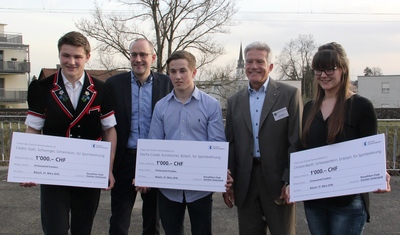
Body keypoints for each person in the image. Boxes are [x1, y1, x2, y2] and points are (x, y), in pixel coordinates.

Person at [21, 31, 117, 234]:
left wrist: (107, 168)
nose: (71, 62)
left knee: (83, 229)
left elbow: (109, 131)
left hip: (88, 171)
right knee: (54, 229)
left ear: (87, 57)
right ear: (59, 55)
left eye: (77, 56)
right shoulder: (41, 88)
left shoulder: (102, 90)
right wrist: (27, 167)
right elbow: (33, 129)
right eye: (66, 55)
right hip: (53, 172)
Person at [300, 42, 391, 235]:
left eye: (330, 69)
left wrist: (379, 173)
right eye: (318, 69)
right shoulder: (309, 108)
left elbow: (370, 150)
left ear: (343, 69)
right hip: (314, 201)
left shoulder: (361, 107)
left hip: (348, 202)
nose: (323, 75)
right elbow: (304, 149)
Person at [144, 50, 229, 235]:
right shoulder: (161, 106)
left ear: (194, 72)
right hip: (169, 189)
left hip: (200, 188)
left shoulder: (211, 105)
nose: (177, 76)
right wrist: (145, 173)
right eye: (172, 72)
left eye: (182, 70)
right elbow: (154, 145)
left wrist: (221, 170)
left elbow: (217, 145)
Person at [223, 41, 301, 235]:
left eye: (260, 61)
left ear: (270, 66)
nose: (254, 66)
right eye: (249, 61)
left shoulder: (289, 95)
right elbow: (231, 144)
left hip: (278, 183)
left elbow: (295, 141)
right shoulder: (234, 101)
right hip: (245, 183)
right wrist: (228, 183)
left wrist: (291, 179)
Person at [106, 38, 173, 235]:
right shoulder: (113, 84)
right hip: (124, 158)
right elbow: (106, 124)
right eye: (134, 54)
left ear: (152, 57)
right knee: (119, 220)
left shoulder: (167, 83)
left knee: (153, 220)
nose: (138, 59)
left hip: (155, 158)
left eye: (143, 54)